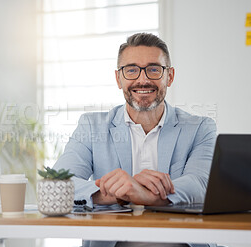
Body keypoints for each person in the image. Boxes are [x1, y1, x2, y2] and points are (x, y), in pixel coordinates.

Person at [53, 33, 217, 247]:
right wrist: (121, 194)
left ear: (170, 76)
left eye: (154, 69)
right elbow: (57, 185)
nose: (143, 79)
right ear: (118, 78)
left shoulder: (200, 128)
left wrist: (146, 196)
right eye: (131, 70)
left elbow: (201, 186)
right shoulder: (92, 127)